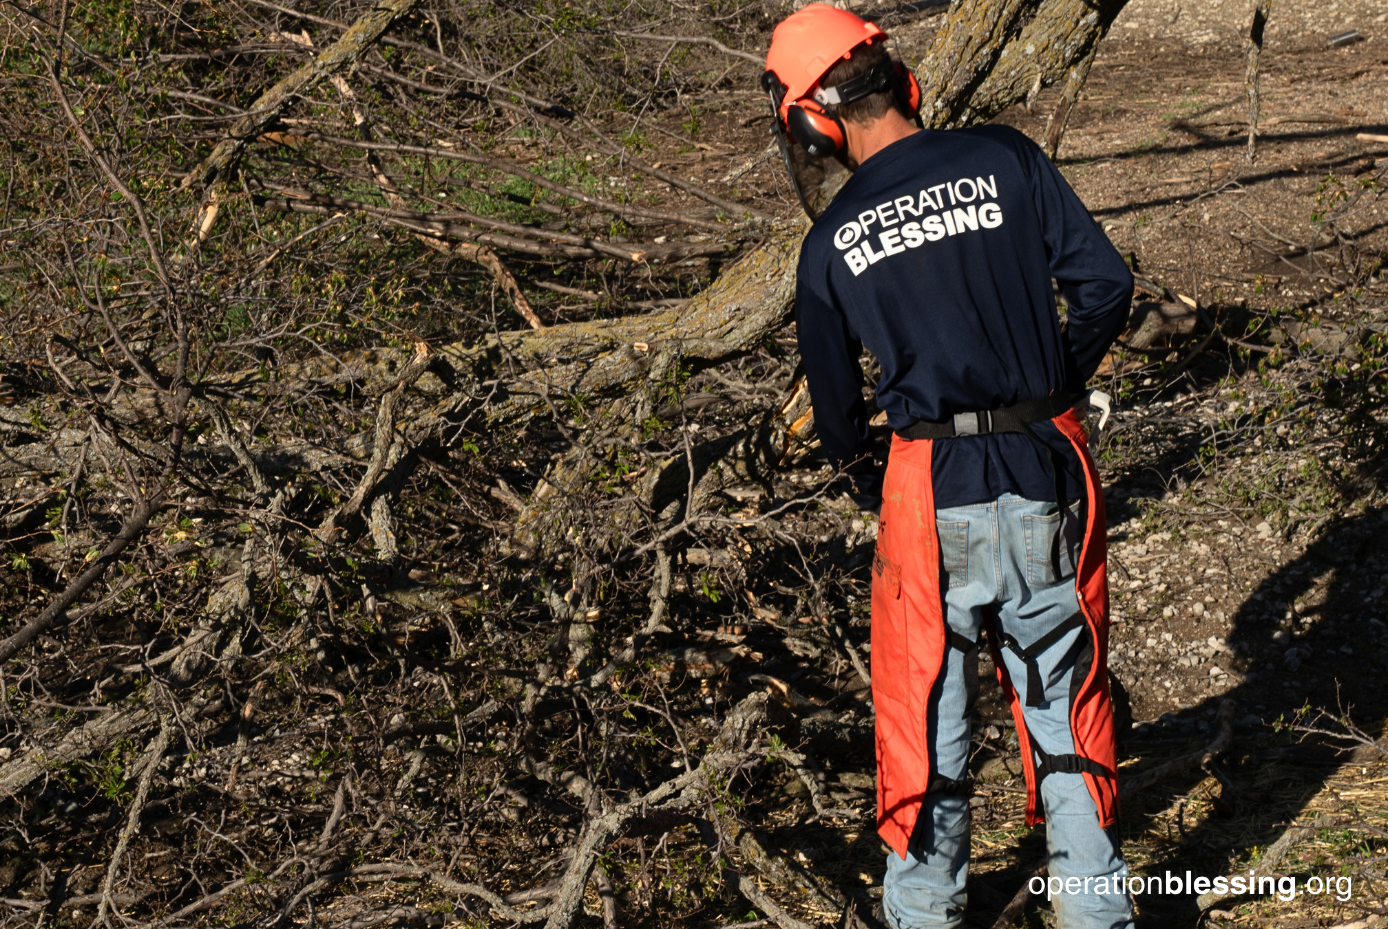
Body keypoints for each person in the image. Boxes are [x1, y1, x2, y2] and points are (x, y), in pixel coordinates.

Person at [762, 7, 1136, 929]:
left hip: (928, 496)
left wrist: (868, 481)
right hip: (1046, 469)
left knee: (926, 728)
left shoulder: (830, 242)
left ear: (813, 121)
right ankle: (1099, 913)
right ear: (902, 80)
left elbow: (841, 422)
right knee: (1068, 709)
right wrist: (1050, 384)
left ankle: (927, 911)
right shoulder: (1007, 158)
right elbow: (1106, 287)